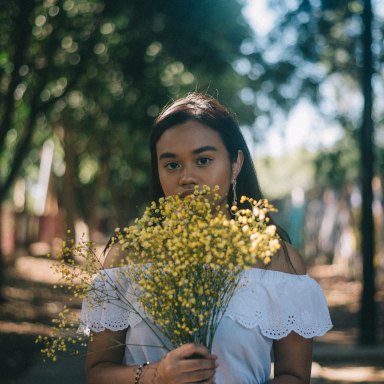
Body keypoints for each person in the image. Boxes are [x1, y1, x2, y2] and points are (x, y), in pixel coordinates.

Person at [80, 92, 332, 383]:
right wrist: (156, 375)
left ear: (235, 163)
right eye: (172, 165)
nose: (187, 177)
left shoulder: (276, 262)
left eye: (203, 160)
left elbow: (295, 376)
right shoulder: (128, 256)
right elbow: (97, 373)